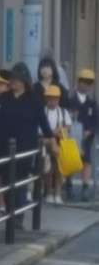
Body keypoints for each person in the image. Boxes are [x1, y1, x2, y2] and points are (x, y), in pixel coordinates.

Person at [0, 62, 56, 226]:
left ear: (24, 81)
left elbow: (45, 126)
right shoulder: (3, 98)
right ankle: (11, 213)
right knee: (6, 182)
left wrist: (53, 143)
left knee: (20, 182)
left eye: (17, 79)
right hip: (3, 147)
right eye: (12, 78)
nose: (13, 81)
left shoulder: (34, 100)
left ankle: (18, 216)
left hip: (25, 148)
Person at [69, 68, 98, 202]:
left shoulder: (92, 103)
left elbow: (96, 121)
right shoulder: (71, 100)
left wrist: (90, 131)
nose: (86, 85)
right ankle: (68, 185)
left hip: (87, 137)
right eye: (84, 81)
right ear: (78, 82)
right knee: (70, 160)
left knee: (86, 160)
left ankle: (85, 187)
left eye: (89, 82)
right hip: (72, 136)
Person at [43, 85, 72, 205]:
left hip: (61, 144)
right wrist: (54, 132)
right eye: (50, 98)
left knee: (60, 170)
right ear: (46, 98)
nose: (52, 101)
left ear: (59, 99)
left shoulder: (63, 112)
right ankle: (49, 193)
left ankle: (58, 194)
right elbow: (40, 130)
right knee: (48, 170)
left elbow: (68, 127)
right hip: (45, 143)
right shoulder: (42, 112)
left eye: (55, 98)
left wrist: (62, 130)